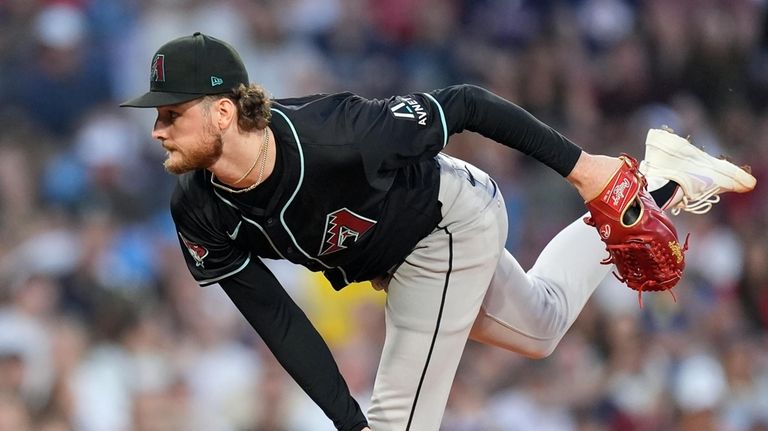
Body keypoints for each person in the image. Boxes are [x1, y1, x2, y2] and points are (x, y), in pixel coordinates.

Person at [120, 33, 756, 431]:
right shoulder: (196, 208)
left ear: (225, 111)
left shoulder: (338, 135)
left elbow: (468, 103)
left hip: (447, 220)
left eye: (172, 112)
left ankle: (626, 180)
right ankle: (661, 182)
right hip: (401, 258)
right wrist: (346, 419)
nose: (157, 129)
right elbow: (277, 320)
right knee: (542, 325)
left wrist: (585, 170)